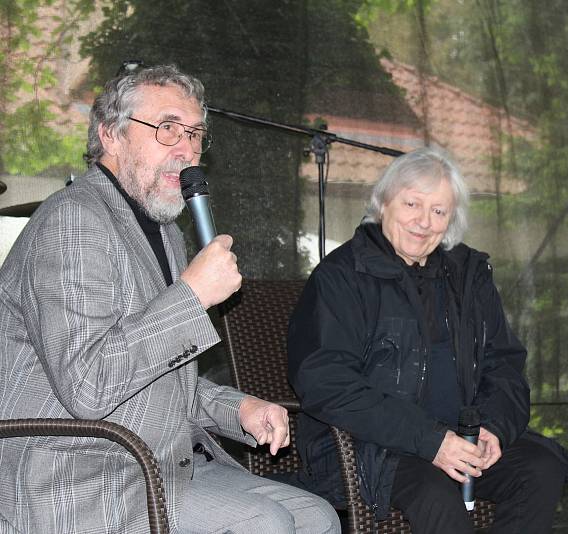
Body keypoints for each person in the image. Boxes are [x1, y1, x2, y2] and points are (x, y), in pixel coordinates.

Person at [0, 65, 340, 534]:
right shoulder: (74, 225)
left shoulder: (162, 230)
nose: (187, 148)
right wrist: (191, 295)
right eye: (167, 128)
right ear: (111, 135)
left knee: (317, 517)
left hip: (158, 463)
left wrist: (237, 409)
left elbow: (159, 380)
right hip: (77, 476)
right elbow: (89, 384)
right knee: (266, 524)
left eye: (195, 133)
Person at [287, 148, 568, 534]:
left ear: (451, 221)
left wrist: (494, 429)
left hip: (461, 440)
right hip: (372, 448)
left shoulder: (468, 275)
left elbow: (505, 365)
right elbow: (324, 380)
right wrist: (431, 441)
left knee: (539, 469)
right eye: (412, 203)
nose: (423, 222)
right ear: (384, 203)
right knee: (435, 493)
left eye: (439, 211)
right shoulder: (342, 276)